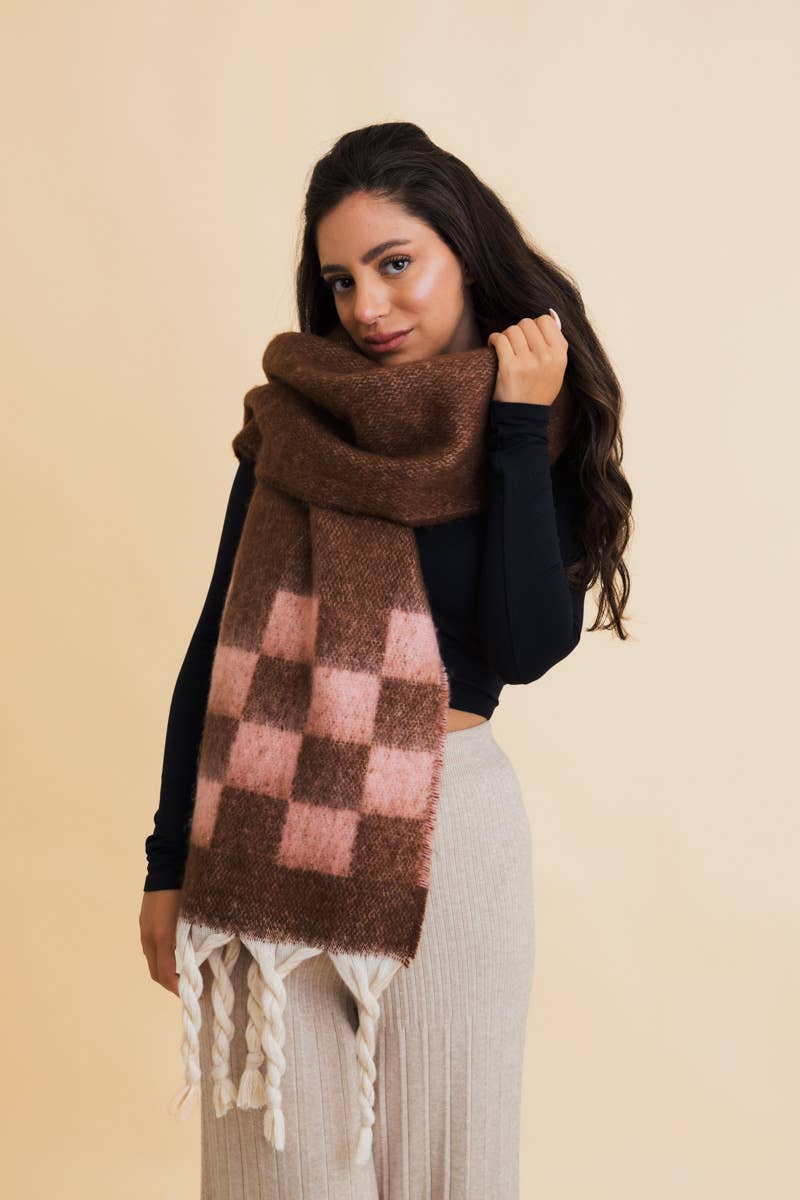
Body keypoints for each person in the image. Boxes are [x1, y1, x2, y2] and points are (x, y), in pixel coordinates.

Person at [140, 121, 632, 1199]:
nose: (367, 305)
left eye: (395, 263)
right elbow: (214, 647)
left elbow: (524, 648)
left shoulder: (532, 421)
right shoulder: (293, 428)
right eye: (341, 279)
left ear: (465, 256)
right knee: (280, 1173)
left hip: (452, 835)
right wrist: (166, 860)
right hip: (267, 826)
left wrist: (515, 430)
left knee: (453, 1170)